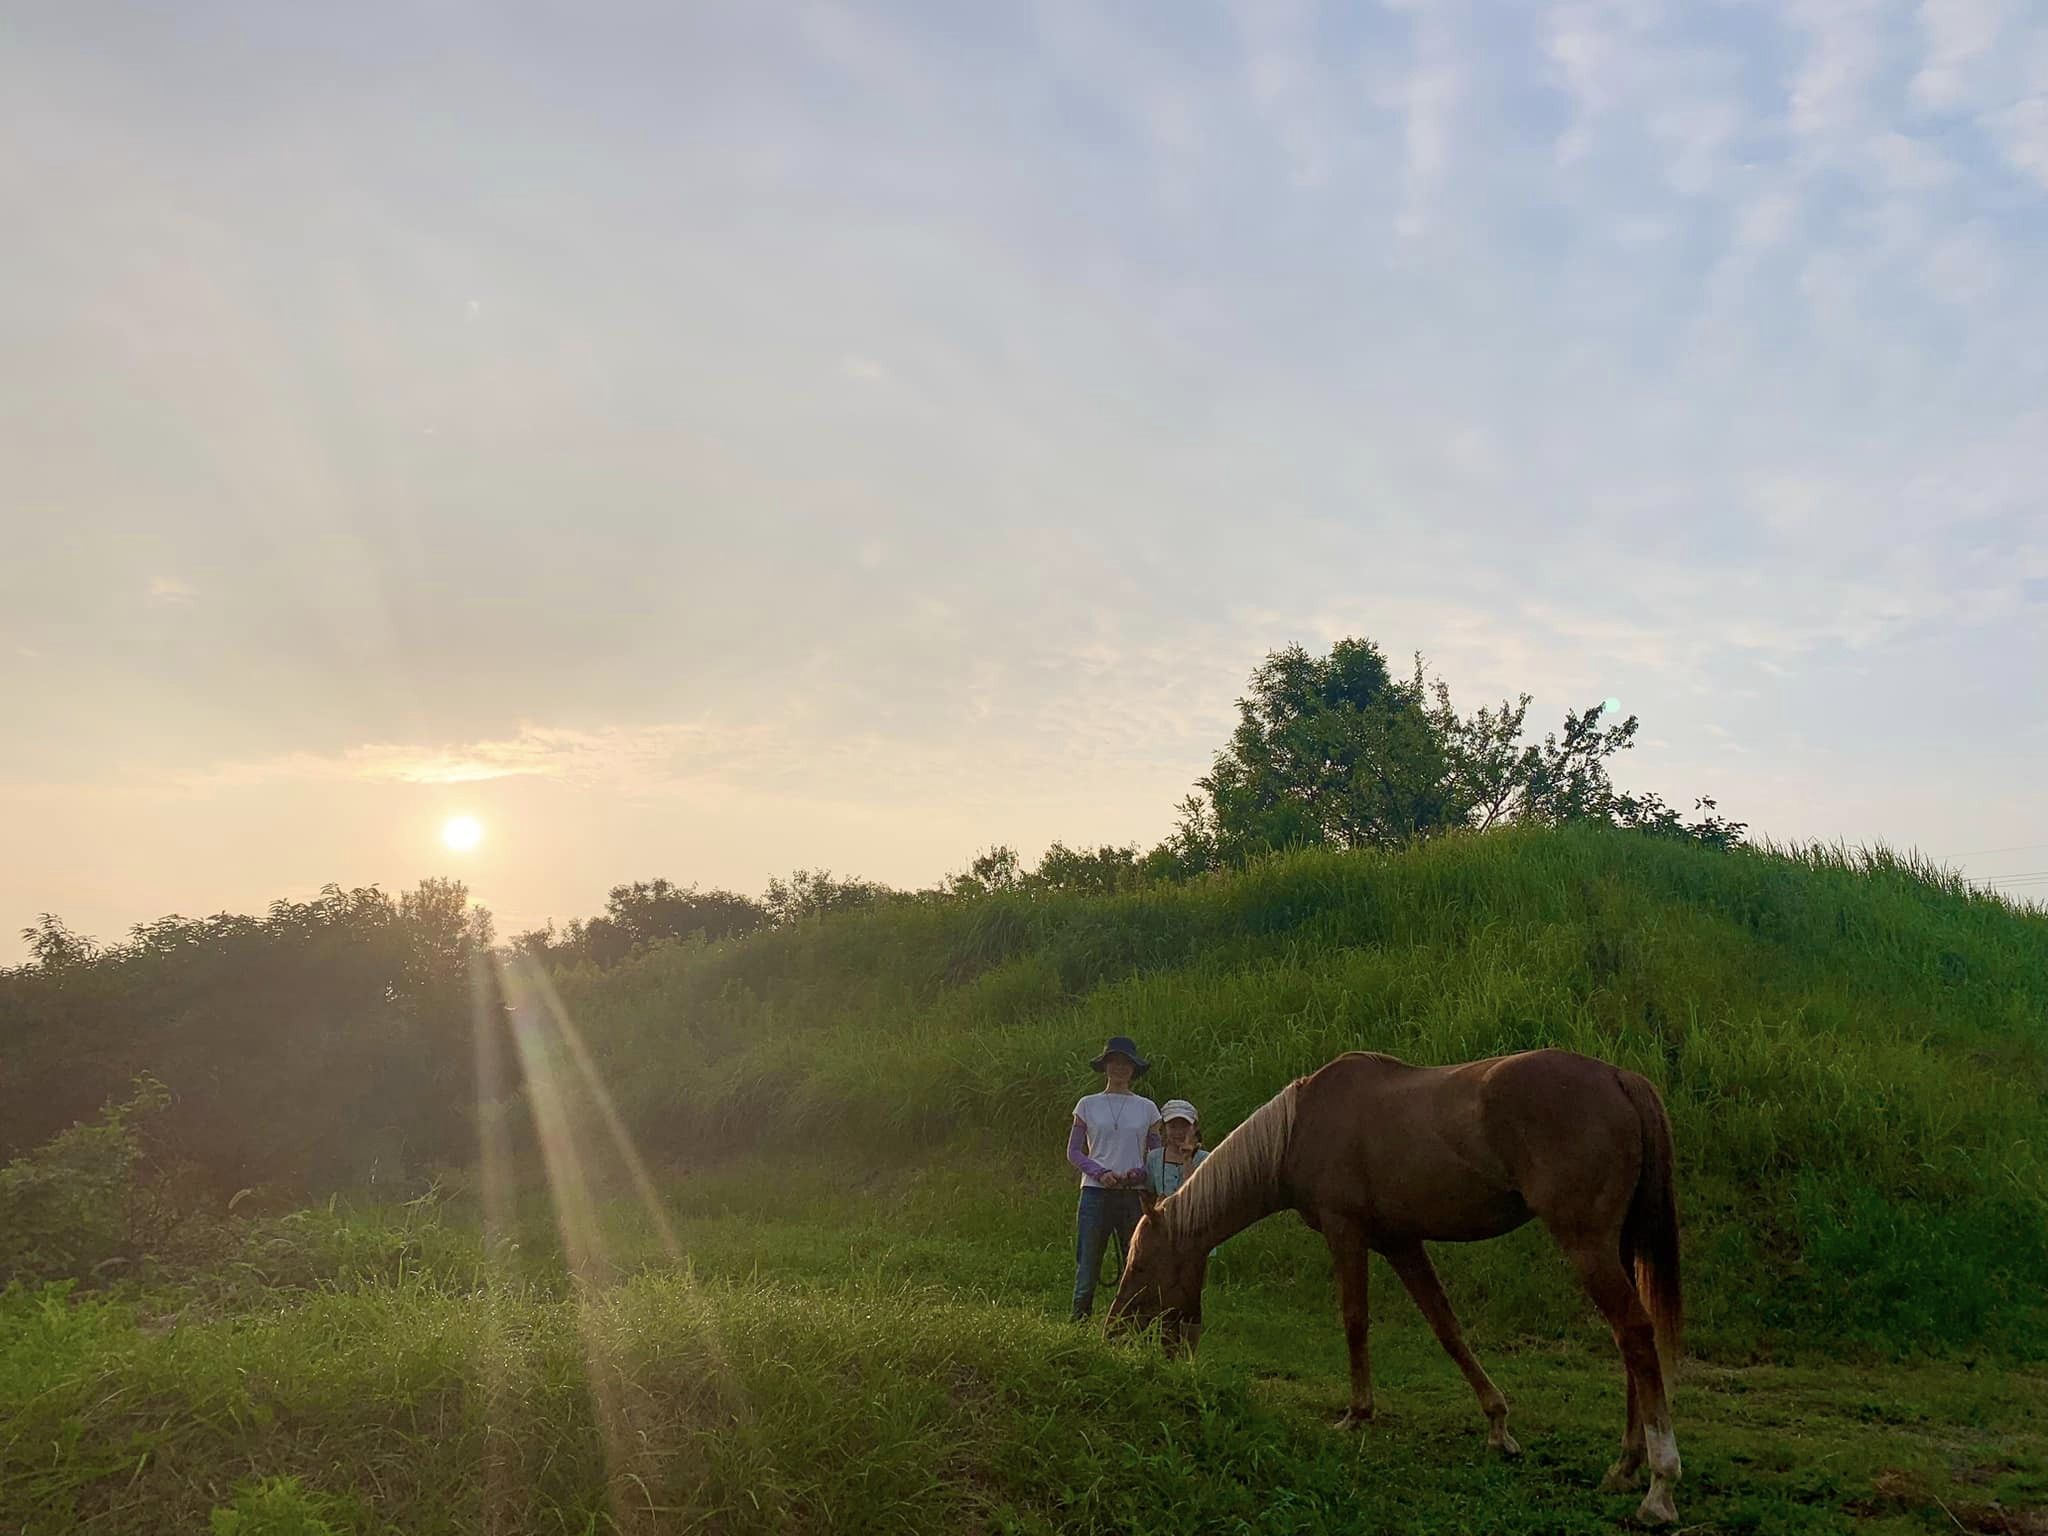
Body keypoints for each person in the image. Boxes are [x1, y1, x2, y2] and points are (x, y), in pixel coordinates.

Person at [1066, 1034, 1160, 1321]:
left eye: (1125, 1063)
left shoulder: (1147, 1108)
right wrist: (1100, 1173)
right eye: (1114, 1062)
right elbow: (1074, 1151)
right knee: (1088, 1261)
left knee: (1136, 1260)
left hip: (1133, 1194)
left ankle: (1132, 1321)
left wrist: (1139, 1173)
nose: (1119, 1068)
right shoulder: (1087, 1105)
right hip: (1095, 1192)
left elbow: (1154, 1155)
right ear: (1105, 1066)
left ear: (1133, 1069)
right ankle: (1079, 1320)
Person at [1145, 1098, 1207, 1197]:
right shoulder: (1154, 1158)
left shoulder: (1205, 1159)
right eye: (1173, 1127)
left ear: (1195, 1128)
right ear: (1165, 1128)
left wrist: (1187, 1159)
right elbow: (1149, 1193)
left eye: (1184, 1126)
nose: (1179, 1132)